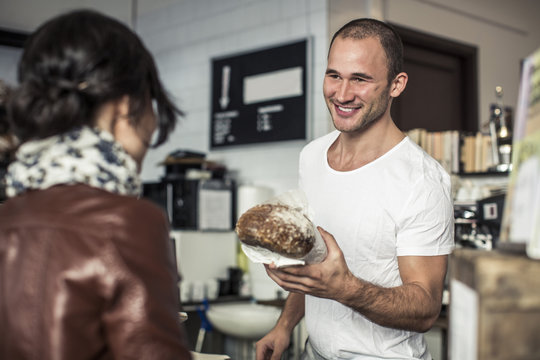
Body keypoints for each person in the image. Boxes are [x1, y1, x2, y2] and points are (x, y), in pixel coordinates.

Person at [256, 18, 454, 360]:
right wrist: (284, 325)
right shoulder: (312, 157)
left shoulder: (422, 179)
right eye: (334, 75)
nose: (342, 94)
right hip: (313, 353)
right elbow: (317, 263)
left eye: (360, 79)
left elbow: (426, 308)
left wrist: (345, 288)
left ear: (396, 84)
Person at [0, 10, 192, 360]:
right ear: (124, 106)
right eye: (150, 100)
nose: (152, 126)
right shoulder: (127, 221)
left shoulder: (9, 211)